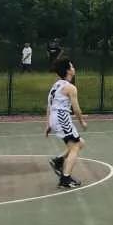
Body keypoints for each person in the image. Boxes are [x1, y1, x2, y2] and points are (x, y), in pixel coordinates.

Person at [45, 57, 87, 188]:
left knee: (80, 143)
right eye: (72, 66)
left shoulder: (56, 85)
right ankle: (65, 179)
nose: (74, 68)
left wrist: (48, 123)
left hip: (55, 117)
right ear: (68, 71)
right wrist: (82, 121)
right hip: (61, 118)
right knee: (75, 146)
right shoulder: (70, 88)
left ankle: (58, 161)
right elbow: (76, 109)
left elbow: (49, 105)